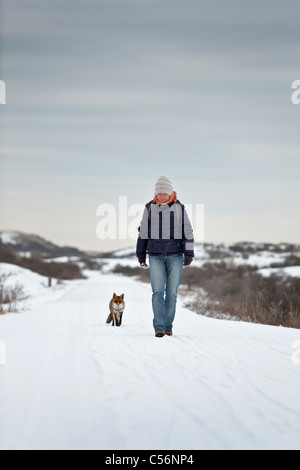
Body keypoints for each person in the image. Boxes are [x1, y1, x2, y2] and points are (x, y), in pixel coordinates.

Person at [136, 176, 194, 337]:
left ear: (170, 193)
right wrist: (140, 254)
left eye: (164, 193)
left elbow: (187, 232)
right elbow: (143, 233)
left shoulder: (179, 208)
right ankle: (159, 326)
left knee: (172, 293)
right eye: (159, 193)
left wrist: (189, 252)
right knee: (157, 291)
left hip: (175, 256)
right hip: (155, 256)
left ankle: (168, 325)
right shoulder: (149, 208)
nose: (161, 196)